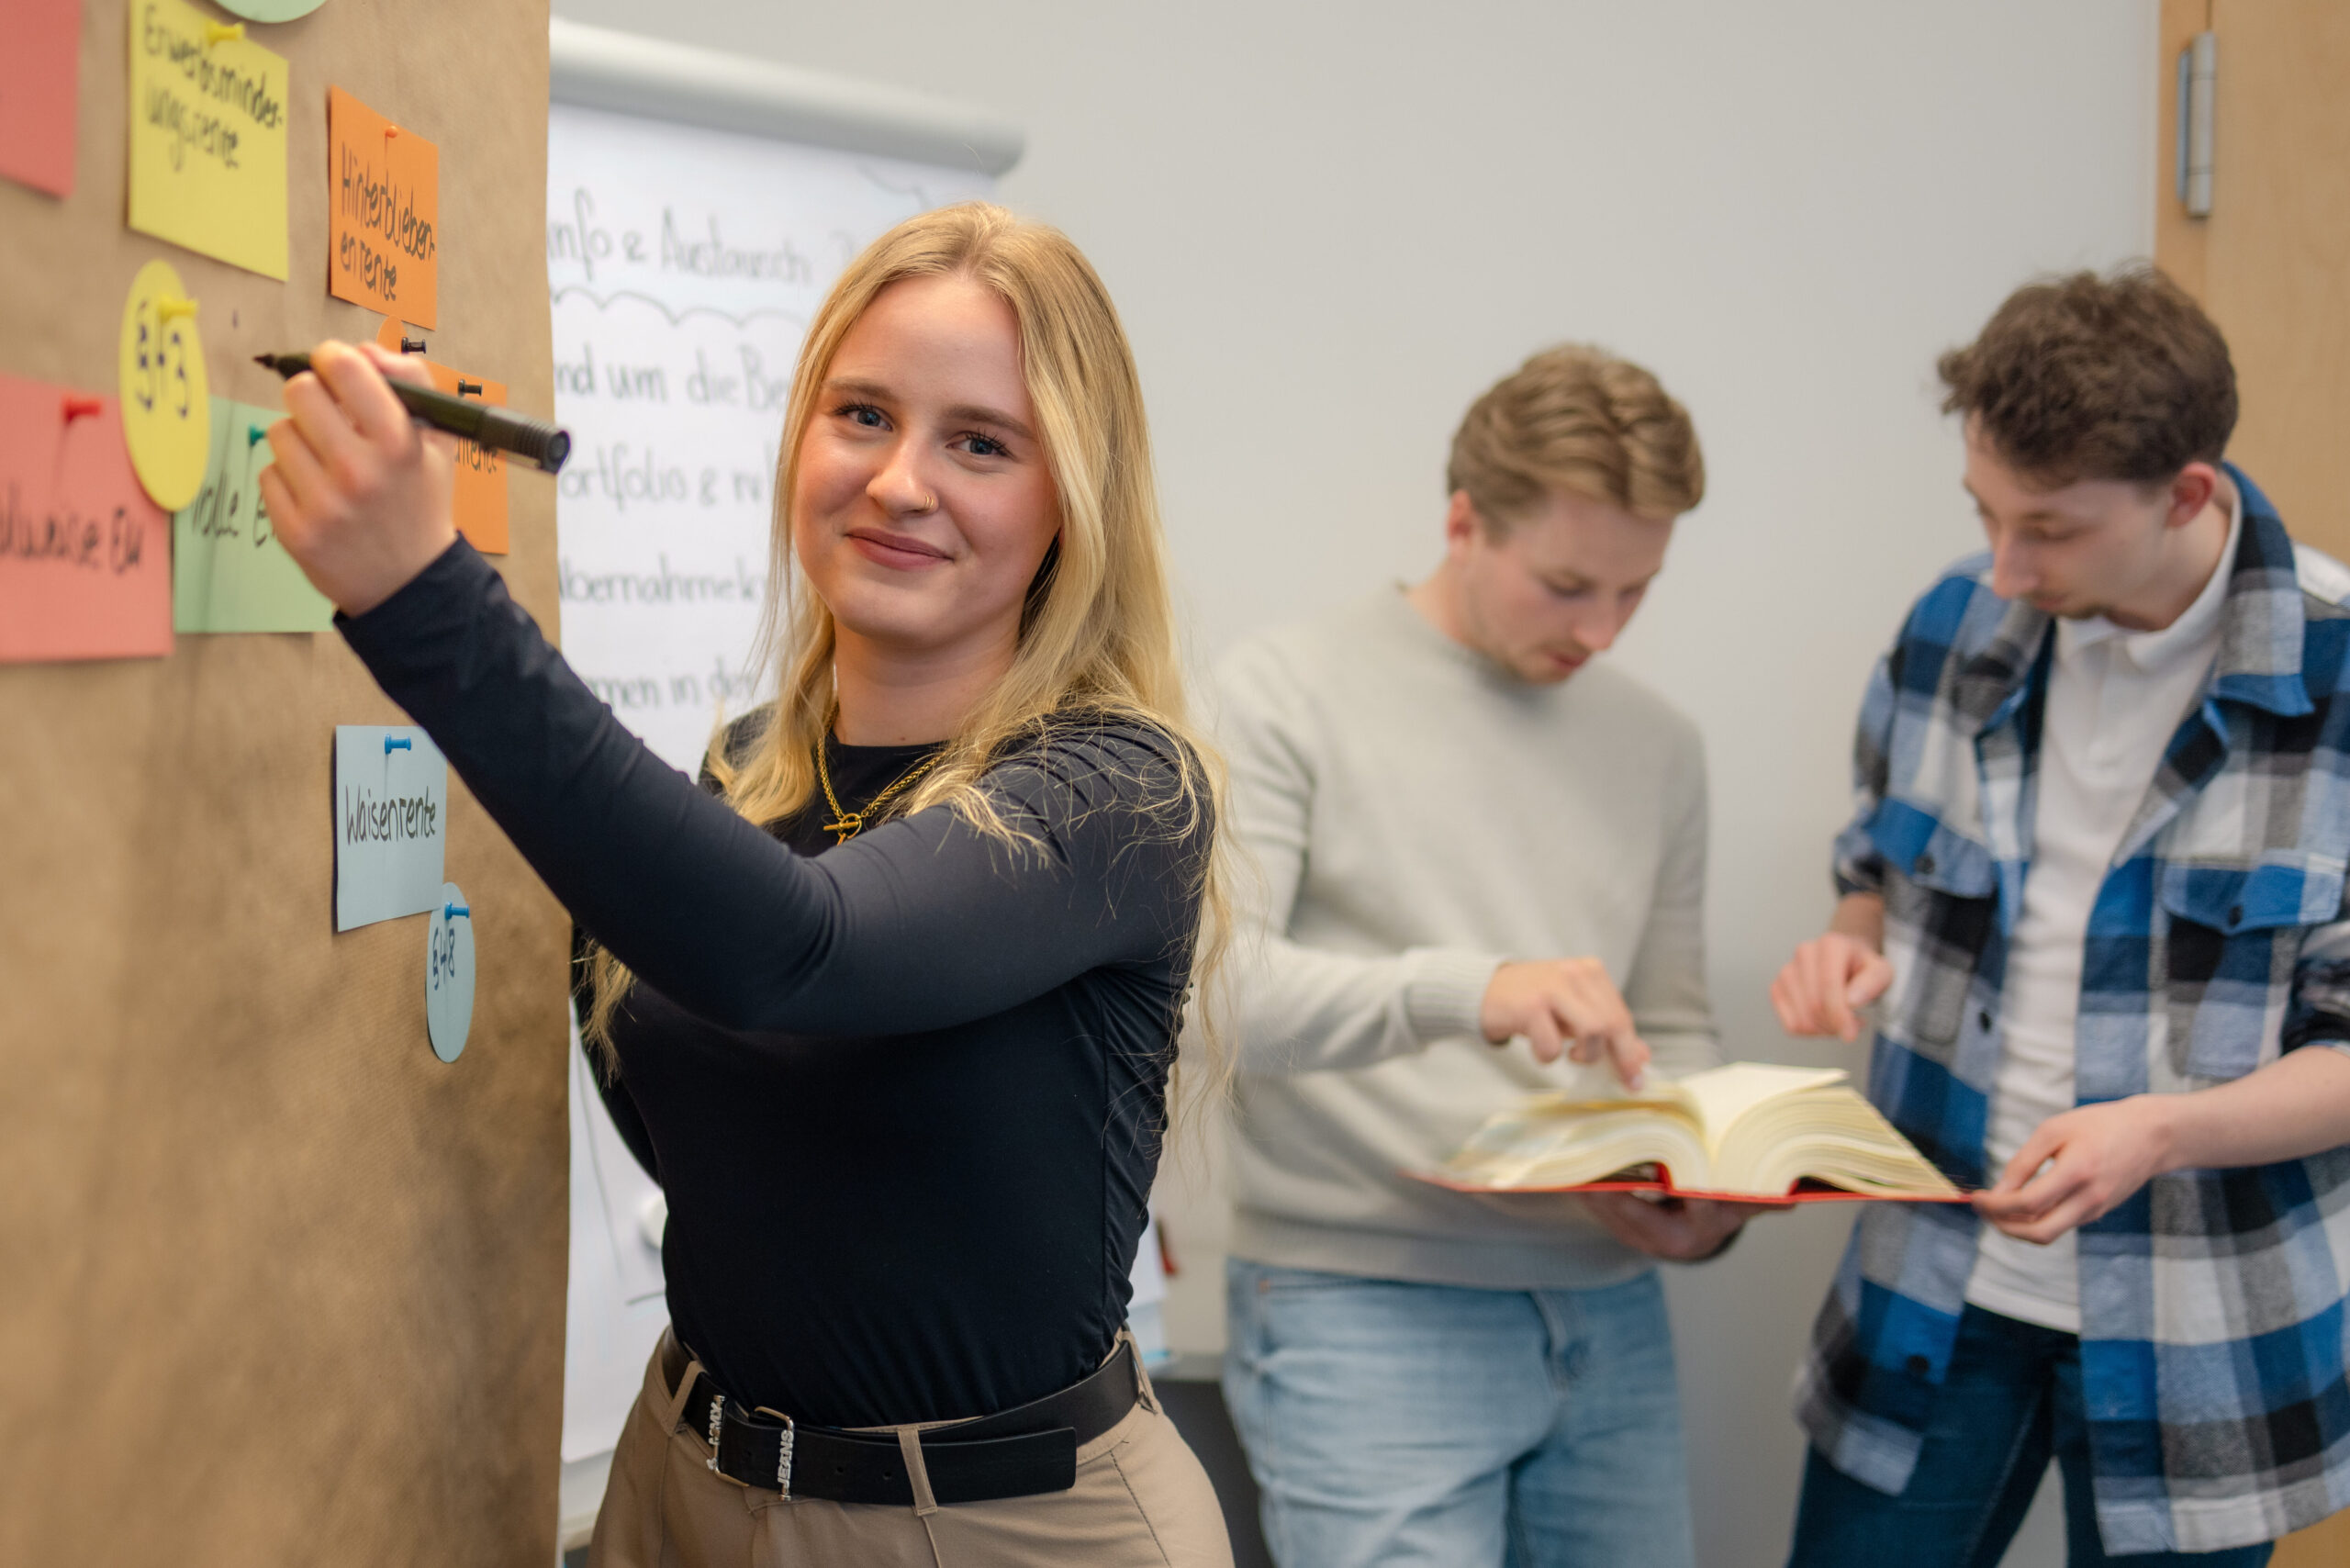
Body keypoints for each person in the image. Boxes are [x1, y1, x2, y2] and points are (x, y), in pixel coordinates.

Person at [259, 203, 1235, 1567]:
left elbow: (801, 960)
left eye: (980, 443)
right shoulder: (749, 774)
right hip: (684, 1483)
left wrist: (423, 596)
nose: (901, 481)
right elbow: (708, 1134)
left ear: (1071, 501)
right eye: (862, 415)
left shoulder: (1119, 791)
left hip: (1000, 1528)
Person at [1772, 267, 2350, 1566]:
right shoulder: (1957, 622)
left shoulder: (2340, 678)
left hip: (2203, 1331)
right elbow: (1875, 853)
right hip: (1936, 1279)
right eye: (1985, 513)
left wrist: (2165, 1130)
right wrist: (1852, 942)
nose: (2005, 566)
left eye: (2051, 528)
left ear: (2187, 493)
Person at [1213, 344, 1767, 1568]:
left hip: (1608, 1310)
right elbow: (1220, 999)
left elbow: (1669, 1027)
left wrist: (1697, 1199)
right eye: (1569, 584)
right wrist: (1475, 988)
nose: (1603, 630)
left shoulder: (1658, 746)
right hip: (1361, 1304)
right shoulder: (1280, 694)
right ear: (1463, 522)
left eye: (1637, 591)